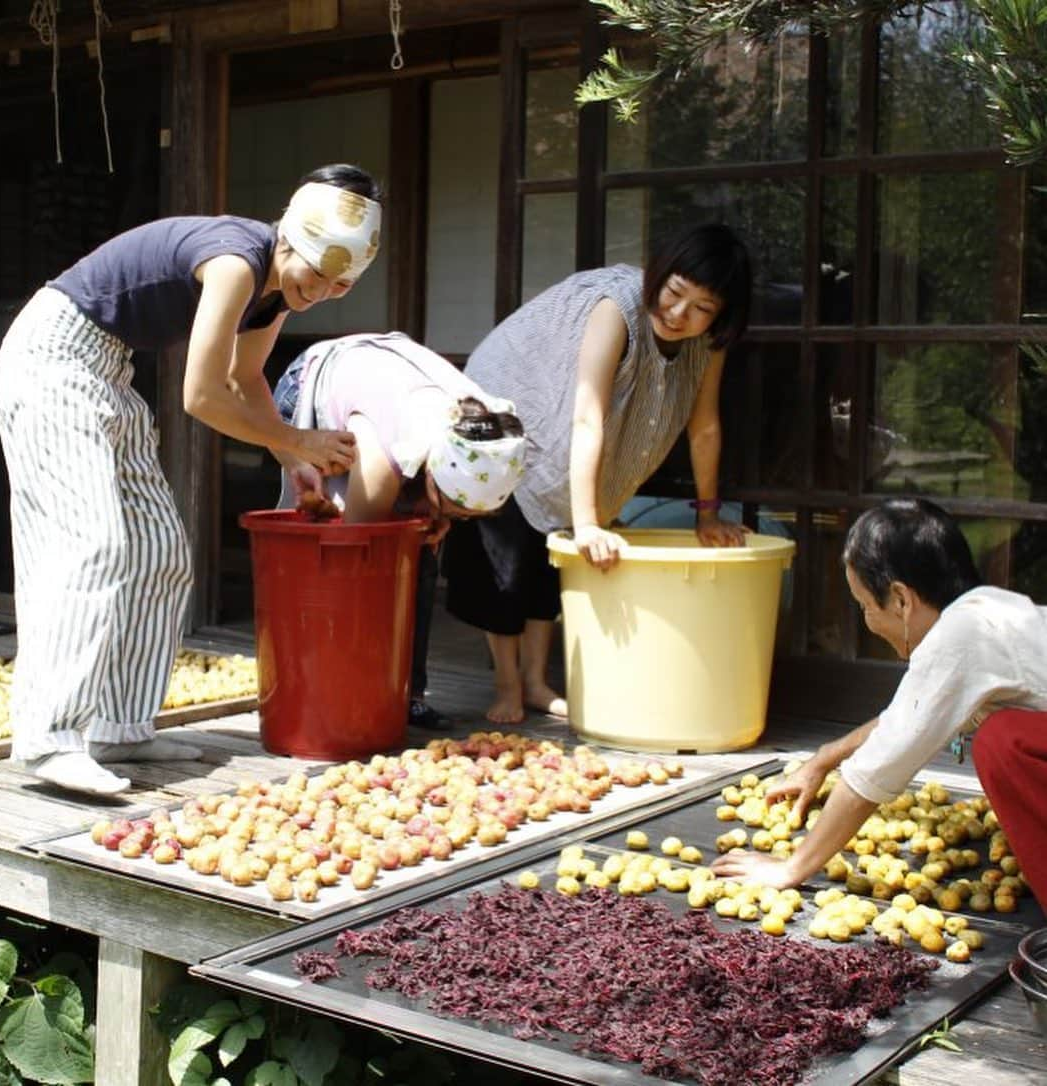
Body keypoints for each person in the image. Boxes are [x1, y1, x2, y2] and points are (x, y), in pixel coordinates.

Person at [0, 164, 383, 795]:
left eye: (342, 284)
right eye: (320, 272)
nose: (326, 290)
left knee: (159, 551)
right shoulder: (236, 263)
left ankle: (120, 727)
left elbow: (245, 380)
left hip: (108, 370)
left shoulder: (276, 294)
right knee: (90, 545)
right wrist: (296, 439)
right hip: (50, 358)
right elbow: (201, 395)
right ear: (290, 239)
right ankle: (47, 737)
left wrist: (294, 460)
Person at [444, 222, 752, 725]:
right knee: (506, 564)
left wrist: (708, 514)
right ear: (659, 276)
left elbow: (705, 427)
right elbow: (586, 415)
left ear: (720, 317)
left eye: (701, 309)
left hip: (570, 430)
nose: (679, 314)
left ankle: (536, 683)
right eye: (674, 293)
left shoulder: (707, 343)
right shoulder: (617, 308)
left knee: (551, 565)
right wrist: (587, 523)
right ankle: (506, 686)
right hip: (510, 404)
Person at [711, 497, 1047, 909]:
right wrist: (823, 760)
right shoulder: (989, 611)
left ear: (902, 600)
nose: (868, 621)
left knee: (1001, 741)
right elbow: (907, 714)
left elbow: (873, 774)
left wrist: (791, 867)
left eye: (866, 606)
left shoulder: (962, 637)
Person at [273, 331, 527, 727]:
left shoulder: (482, 428)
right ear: (432, 474)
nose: (455, 520)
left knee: (420, 552)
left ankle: (407, 695)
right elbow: (351, 562)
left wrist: (439, 516)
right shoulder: (386, 456)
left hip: (387, 396)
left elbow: (447, 500)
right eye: (451, 507)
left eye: (466, 516)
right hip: (312, 381)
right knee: (355, 559)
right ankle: (330, 688)